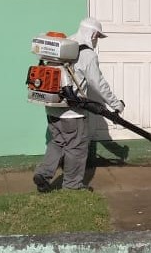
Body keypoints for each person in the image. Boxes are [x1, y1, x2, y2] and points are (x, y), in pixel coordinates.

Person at [32, 17, 125, 193]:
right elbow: (98, 84)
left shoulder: (64, 46)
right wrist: (116, 104)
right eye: (98, 37)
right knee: (76, 147)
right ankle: (73, 186)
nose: (97, 41)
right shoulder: (86, 54)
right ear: (93, 34)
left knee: (57, 142)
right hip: (72, 112)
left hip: (52, 107)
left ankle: (43, 174)